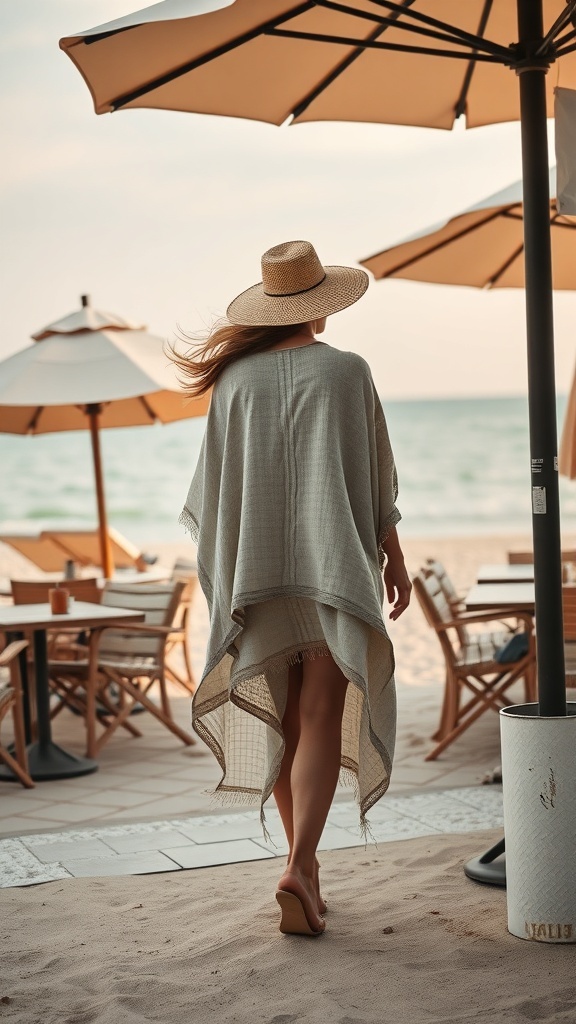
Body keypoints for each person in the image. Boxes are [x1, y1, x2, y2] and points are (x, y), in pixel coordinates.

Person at [173, 240, 411, 937]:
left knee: (280, 716)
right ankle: (302, 866)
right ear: (320, 308)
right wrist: (392, 558)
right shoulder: (346, 372)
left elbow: (215, 496)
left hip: (257, 571)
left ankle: (302, 870)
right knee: (318, 713)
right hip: (332, 569)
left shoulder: (235, 383)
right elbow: (373, 485)